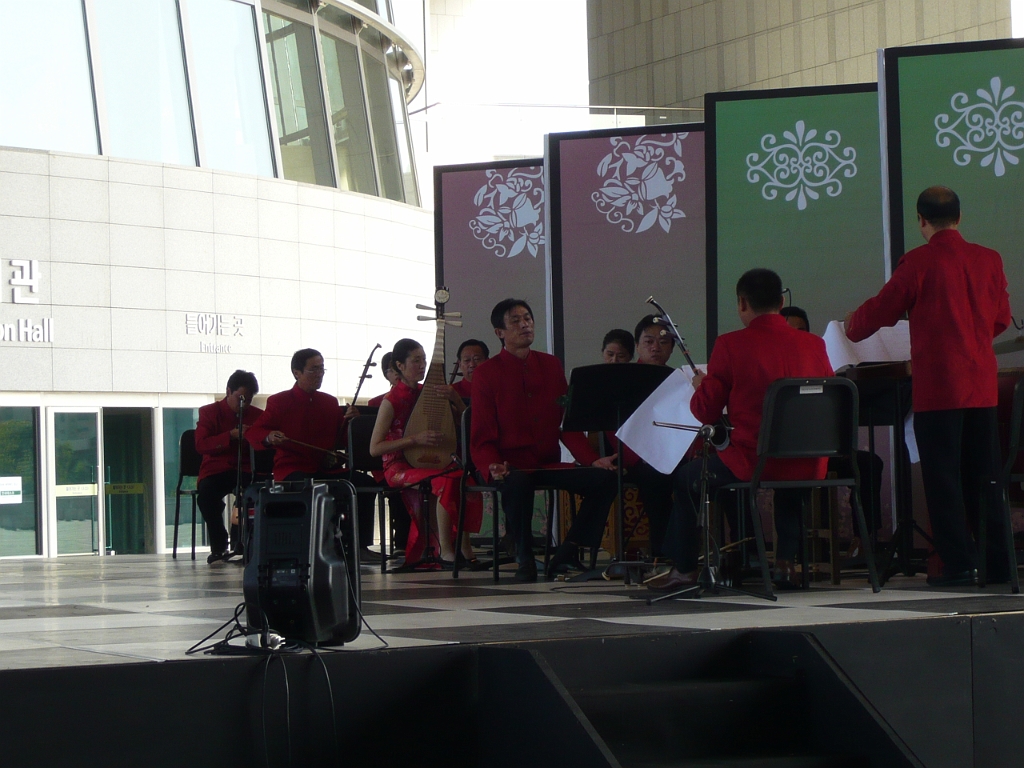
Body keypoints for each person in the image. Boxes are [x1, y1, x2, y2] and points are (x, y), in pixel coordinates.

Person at [845, 186, 1012, 587]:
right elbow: (1001, 319)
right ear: (959, 217)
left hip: (940, 388)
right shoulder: (989, 259)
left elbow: (882, 310)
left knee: (943, 479)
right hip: (982, 385)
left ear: (921, 220)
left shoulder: (919, 262)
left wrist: (852, 323)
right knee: (985, 476)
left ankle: (959, 565)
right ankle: (998, 565)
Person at [648, 269, 834, 591]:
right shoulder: (815, 345)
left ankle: (684, 569)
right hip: (811, 461)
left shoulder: (731, 345)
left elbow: (705, 411)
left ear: (742, 303)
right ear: (780, 302)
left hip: (754, 460)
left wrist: (701, 386)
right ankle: (786, 565)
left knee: (686, 479)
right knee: (790, 477)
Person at [471, 298, 617, 582]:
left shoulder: (550, 365)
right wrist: (491, 465)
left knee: (605, 479)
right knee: (517, 483)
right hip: (508, 466)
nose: (525, 324)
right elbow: (482, 434)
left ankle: (569, 551)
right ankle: (524, 558)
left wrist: (591, 459)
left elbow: (568, 424)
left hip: (546, 463)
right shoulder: (486, 374)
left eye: (528, 318)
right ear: (499, 332)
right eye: (515, 320)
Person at [245, 349, 381, 563]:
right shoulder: (278, 402)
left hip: (326, 468)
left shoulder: (328, 402)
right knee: (307, 487)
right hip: (293, 469)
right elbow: (254, 432)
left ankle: (359, 546)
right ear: (296, 372)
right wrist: (269, 437)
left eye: (322, 368)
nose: (320, 374)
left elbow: (342, 440)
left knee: (364, 484)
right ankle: (314, 546)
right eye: (314, 369)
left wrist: (352, 422)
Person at [781, 305, 885, 554]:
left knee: (870, 464)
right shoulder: (772, 364)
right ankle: (791, 549)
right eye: (789, 331)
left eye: (802, 331)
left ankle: (865, 539)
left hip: (823, 450)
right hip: (785, 454)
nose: (797, 337)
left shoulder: (818, 358)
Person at [369, 339, 481, 566]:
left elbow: (464, 422)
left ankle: (464, 546)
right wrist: (413, 440)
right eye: (416, 360)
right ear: (400, 365)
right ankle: (444, 549)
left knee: (464, 478)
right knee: (447, 481)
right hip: (398, 466)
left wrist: (456, 400)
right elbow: (375, 448)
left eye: (424, 360)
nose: (422, 365)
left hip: (426, 462)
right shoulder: (390, 401)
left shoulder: (426, 394)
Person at [600, 325, 673, 558]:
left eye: (663, 342)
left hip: (672, 456)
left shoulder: (678, 378)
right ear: (638, 346)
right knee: (656, 478)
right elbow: (615, 428)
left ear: (672, 347)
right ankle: (662, 555)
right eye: (649, 341)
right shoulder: (623, 379)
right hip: (637, 458)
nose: (655, 347)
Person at [195, 370, 263, 563]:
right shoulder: (209, 412)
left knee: (258, 493)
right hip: (218, 469)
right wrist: (229, 436)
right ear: (228, 391)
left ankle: (247, 543)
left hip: (248, 468)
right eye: (240, 398)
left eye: (248, 400)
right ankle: (219, 544)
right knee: (207, 495)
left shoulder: (258, 416)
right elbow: (201, 445)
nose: (244, 405)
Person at [367, 351, 411, 551]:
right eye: (393, 371)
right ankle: (402, 541)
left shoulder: (418, 396)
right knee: (400, 491)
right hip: (388, 463)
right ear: (387, 374)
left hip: (412, 459)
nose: (398, 374)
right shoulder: (379, 402)